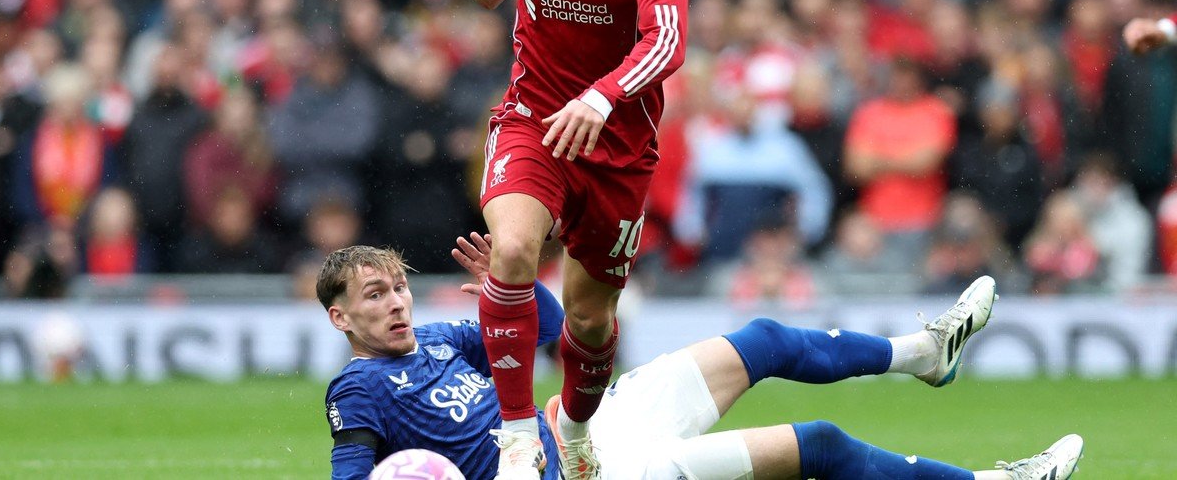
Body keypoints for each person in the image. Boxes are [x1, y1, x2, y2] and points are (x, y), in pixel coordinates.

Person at [320, 236, 1085, 480]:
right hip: (593, 477)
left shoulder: (447, 341)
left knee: (766, 339)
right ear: (339, 315)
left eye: (398, 289)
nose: (395, 303)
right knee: (817, 445)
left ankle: (924, 353)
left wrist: (504, 287)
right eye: (374, 296)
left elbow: (551, 326)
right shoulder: (358, 388)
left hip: (589, 425)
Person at [470, 0, 688, 476]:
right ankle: (516, 439)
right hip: (533, 121)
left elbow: (668, 39)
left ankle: (574, 425)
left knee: (591, 323)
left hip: (617, 150)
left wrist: (601, 97)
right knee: (512, 252)